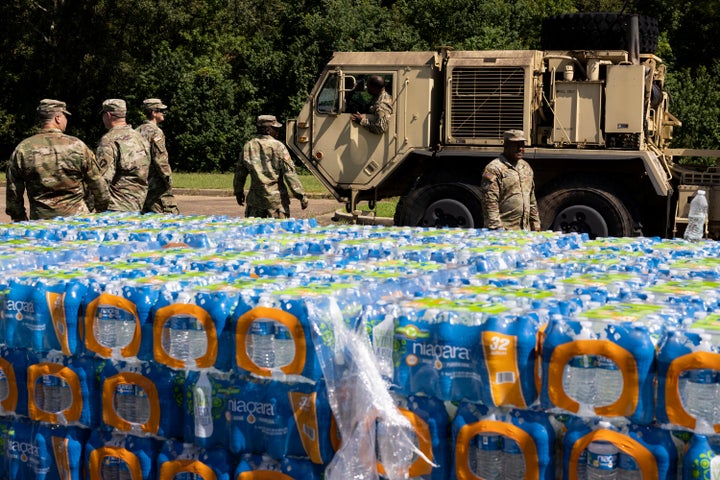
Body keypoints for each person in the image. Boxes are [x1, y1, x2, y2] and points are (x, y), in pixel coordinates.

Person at [6, 99, 109, 221]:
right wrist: (98, 210)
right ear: (58, 118)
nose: (66, 120)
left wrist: (21, 220)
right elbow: (99, 186)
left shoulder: (23, 149)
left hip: (41, 223)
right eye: (65, 116)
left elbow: (14, 193)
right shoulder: (77, 146)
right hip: (78, 222)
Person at [234, 114, 309, 219]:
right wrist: (301, 196)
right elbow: (289, 174)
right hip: (276, 204)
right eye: (276, 129)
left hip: (255, 204)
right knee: (277, 233)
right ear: (268, 130)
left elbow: (240, 174)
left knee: (254, 234)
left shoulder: (248, 146)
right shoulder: (278, 147)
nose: (278, 132)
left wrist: (238, 192)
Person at [96, 98, 151, 212]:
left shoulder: (109, 140)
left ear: (108, 115)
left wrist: (92, 206)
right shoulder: (140, 137)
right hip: (137, 203)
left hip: (115, 207)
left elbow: (102, 179)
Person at [480, 129, 541, 231]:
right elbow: (490, 201)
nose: (520, 148)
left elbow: (531, 199)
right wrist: (496, 228)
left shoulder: (526, 167)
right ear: (506, 146)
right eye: (516, 145)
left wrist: (535, 224)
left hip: (524, 231)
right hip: (504, 231)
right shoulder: (494, 169)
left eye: (522, 145)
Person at [136, 98, 179, 214]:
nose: (163, 113)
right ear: (153, 113)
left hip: (142, 181)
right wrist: (168, 179)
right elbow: (160, 159)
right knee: (167, 215)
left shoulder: (137, 131)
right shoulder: (156, 132)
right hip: (156, 184)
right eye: (161, 110)